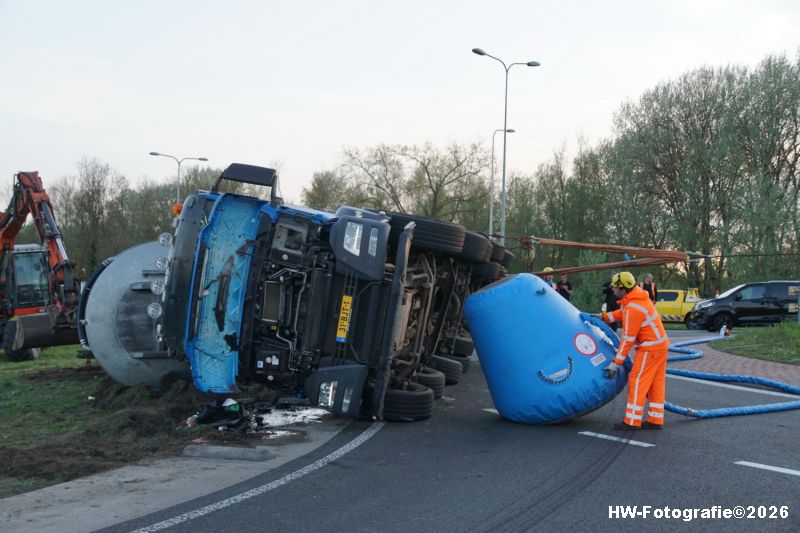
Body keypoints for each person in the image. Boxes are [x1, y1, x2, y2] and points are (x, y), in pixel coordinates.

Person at [600, 271, 669, 430]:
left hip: (649, 349)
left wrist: (616, 363)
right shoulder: (636, 299)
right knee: (655, 384)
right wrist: (603, 317)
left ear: (623, 289)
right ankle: (655, 419)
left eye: (615, 287)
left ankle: (632, 421)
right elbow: (621, 314)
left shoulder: (633, 307)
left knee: (637, 382)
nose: (613, 290)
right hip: (660, 346)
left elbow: (627, 340)